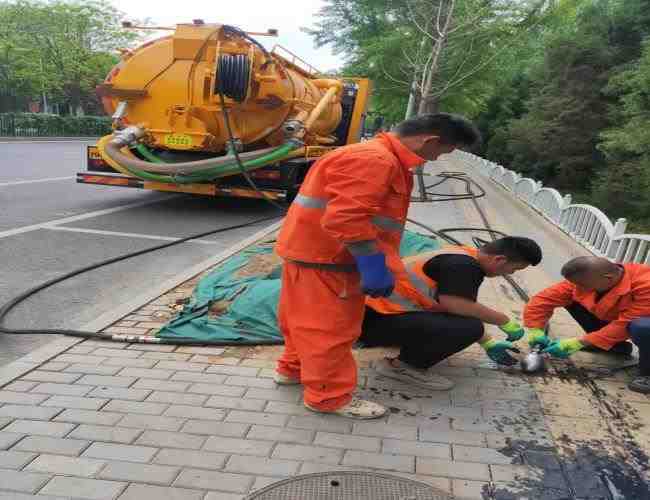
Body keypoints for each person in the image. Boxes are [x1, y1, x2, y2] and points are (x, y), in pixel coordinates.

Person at [274, 113, 481, 419]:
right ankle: (329, 397)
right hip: (333, 260)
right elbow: (346, 218)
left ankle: (292, 370)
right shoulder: (376, 161)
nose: (435, 160)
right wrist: (371, 263)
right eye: (441, 152)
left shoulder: (375, 155)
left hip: (314, 253)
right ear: (430, 140)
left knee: (301, 320)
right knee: (331, 330)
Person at [360, 237, 542, 389]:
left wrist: (488, 343)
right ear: (500, 260)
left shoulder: (461, 256)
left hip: (370, 316)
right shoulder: (464, 266)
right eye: (514, 269)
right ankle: (401, 367)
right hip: (372, 322)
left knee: (467, 324)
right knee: (470, 328)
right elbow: (457, 306)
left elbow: (461, 307)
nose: (509, 273)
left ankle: (402, 353)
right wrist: (503, 321)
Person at [524, 256, 650, 393]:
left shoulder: (645, 284)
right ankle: (613, 347)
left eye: (583, 285)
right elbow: (543, 300)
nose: (578, 288)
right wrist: (535, 329)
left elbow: (624, 324)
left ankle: (647, 374)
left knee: (642, 327)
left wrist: (582, 341)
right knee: (573, 299)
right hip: (628, 319)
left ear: (608, 278)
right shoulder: (588, 278)